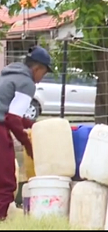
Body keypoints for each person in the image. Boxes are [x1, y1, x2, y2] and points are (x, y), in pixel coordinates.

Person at [0, 46, 51, 220]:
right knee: (6, 182)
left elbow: (11, 113)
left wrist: (34, 125)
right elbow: (12, 119)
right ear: (37, 68)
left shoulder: (7, 75)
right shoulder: (26, 83)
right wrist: (28, 145)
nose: (40, 80)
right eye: (43, 74)